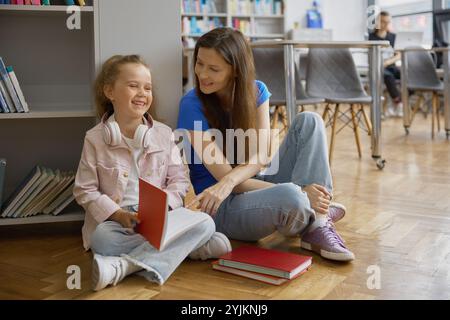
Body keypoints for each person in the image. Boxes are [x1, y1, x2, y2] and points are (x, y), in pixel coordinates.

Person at [177, 27, 355, 262]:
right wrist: (301, 192)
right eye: (199, 64)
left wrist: (232, 180)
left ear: (236, 71)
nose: (202, 74)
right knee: (292, 196)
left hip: (256, 183)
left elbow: (262, 157)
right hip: (223, 207)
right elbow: (230, 185)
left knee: (309, 121)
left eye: (214, 69)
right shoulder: (191, 105)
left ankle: (316, 221)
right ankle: (311, 214)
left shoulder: (257, 91)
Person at [73, 54, 231, 291]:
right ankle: (189, 248)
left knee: (205, 222)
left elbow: (179, 181)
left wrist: (163, 207)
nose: (142, 93)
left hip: (162, 217)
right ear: (110, 91)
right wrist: (117, 215)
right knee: (102, 239)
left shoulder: (164, 134)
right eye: (133, 85)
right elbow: (84, 190)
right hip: (118, 222)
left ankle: (123, 267)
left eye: (147, 88)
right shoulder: (94, 139)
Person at [369, 11, 403, 117]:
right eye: (383, 22)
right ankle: (398, 102)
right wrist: (382, 63)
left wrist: (388, 61)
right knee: (388, 76)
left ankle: (397, 100)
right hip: (378, 67)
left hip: (391, 65)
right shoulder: (371, 37)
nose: (385, 24)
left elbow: (398, 54)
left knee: (408, 75)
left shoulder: (393, 36)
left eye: (388, 22)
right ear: (378, 22)